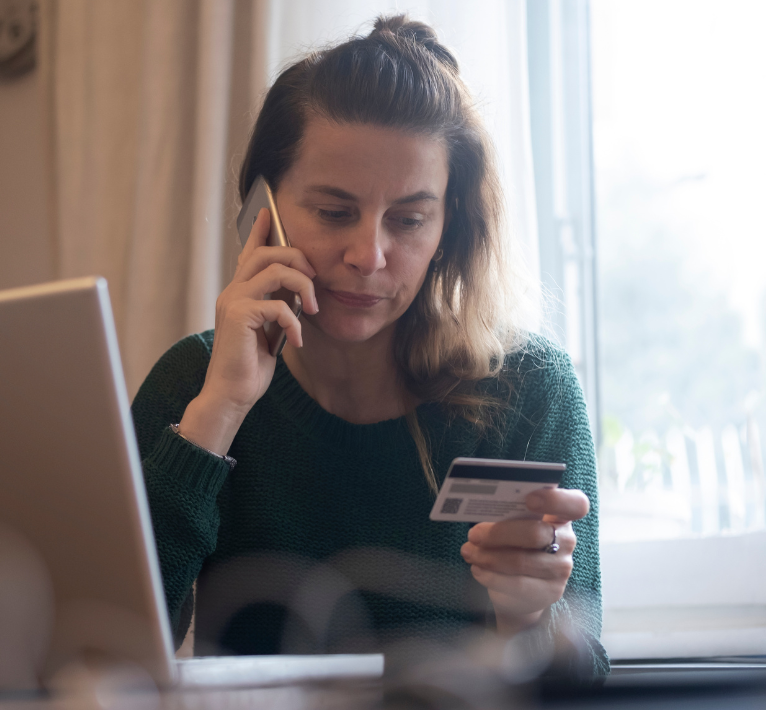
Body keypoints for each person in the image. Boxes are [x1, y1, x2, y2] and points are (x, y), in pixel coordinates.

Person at [131, 14, 608, 678]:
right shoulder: (194, 382)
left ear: (451, 225)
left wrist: (530, 620)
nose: (369, 256)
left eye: (409, 220)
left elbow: (584, 681)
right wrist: (219, 412)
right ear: (260, 211)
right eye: (333, 212)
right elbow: (111, 648)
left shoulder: (529, 391)